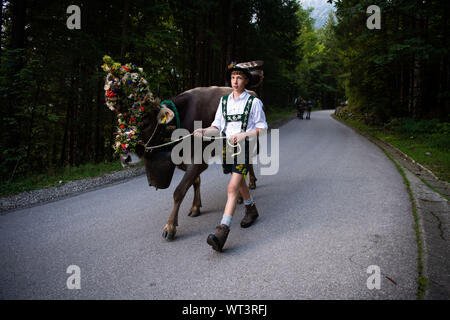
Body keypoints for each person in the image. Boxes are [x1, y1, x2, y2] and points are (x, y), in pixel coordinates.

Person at [193, 62, 268, 252]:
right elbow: (217, 126)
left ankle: (222, 230)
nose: (235, 81)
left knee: (232, 186)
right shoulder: (224, 102)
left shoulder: (254, 102)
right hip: (227, 147)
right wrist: (204, 130)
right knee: (238, 179)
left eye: (240, 77)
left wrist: (244, 135)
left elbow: (263, 129)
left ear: (246, 81)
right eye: (233, 77)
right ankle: (251, 209)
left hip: (245, 147)